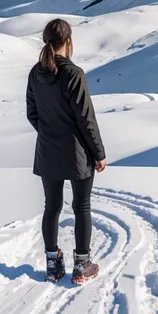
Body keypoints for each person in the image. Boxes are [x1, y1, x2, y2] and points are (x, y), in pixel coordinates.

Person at [26, 18, 106, 285]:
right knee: (81, 206)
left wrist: (49, 133)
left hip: (47, 151)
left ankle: (52, 263)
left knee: (52, 206)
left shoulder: (36, 73)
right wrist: (99, 152)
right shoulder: (73, 73)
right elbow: (86, 118)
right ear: (69, 41)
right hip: (77, 153)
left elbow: (32, 113)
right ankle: (82, 265)